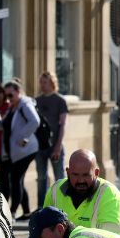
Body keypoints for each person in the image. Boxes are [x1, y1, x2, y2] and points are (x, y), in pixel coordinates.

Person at [43, 149, 120, 235]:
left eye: (86, 175)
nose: (81, 181)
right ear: (68, 172)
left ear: (96, 173)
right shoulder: (55, 190)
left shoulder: (110, 195)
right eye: (75, 175)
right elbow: (45, 233)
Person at [3, 79, 39, 221]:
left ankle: (12, 212)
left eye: (10, 95)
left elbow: (35, 121)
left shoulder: (24, 104)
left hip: (26, 150)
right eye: (7, 96)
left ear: (18, 92)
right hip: (17, 152)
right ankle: (27, 211)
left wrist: (24, 137)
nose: (8, 99)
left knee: (16, 178)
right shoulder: (13, 107)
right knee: (19, 179)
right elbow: (4, 125)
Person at [35, 71, 70, 209]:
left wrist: (58, 146)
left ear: (52, 83)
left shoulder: (60, 101)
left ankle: (62, 207)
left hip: (55, 145)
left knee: (59, 179)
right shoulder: (37, 101)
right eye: (41, 82)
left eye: (45, 82)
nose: (42, 85)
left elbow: (62, 125)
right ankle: (42, 207)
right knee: (41, 177)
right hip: (40, 146)